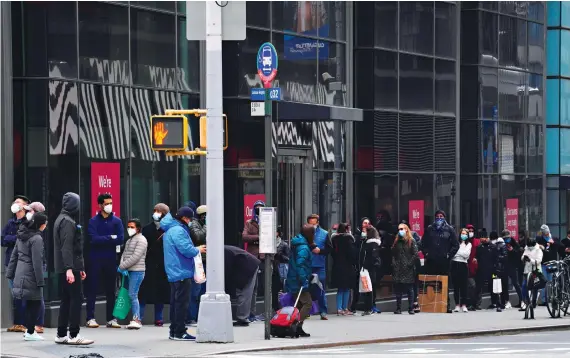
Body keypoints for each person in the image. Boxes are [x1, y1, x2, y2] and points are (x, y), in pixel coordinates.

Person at [53, 192, 93, 345]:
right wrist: (70, 268)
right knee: (76, 298)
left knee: (66, 299)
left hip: (67, 267)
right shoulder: (68, 222)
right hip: (69, 267)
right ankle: (73, 335)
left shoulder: (61, 219)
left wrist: (78, 267)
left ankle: (61, 334)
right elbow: (67, 247)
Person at [161, 207, 206, 341]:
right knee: (181, 304)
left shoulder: (170, 229)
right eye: (190, 219)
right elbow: (186, 250)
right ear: (185, 218)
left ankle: (174, 331)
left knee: (175, 303)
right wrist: (197, 249)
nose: (191, 221)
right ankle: (179, 332)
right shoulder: (178, 230)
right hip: (181, 271)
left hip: (174, 271)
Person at [6, 212, 48, 341]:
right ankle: (30, 332)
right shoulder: (37, 239)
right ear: (40, 224)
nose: (45, 225)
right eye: (45, 223)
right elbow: (37, 261)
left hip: (20, 272)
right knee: (35, 304)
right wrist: (40, 280)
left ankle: (29, 331)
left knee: (29, 303)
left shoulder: (21, 236)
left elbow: (14, 256)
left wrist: (10, 274)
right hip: (31, 275)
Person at [85, 193, 125, 328]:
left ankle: (111, 319)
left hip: (110, 259)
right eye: (107, 203)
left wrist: (106, 238)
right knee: (92, 288)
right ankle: (90, 317)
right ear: (100, 205)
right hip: (95, 258)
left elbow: (120, 238)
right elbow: (93, 239)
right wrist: (110, 238)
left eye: (110, 203)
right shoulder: (93, 221)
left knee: (111, 290)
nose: (109, 206)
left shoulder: (117, 221)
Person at [420, 210, 458, 313]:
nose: (439, 218)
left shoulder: (449, 229)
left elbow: (456, 245)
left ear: (444, 217)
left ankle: (446, 305)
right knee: (432, 283)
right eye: (437, 216)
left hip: (444, 261)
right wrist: (426, 253)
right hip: (431, 260)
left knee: (444, 283)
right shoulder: (430, 229)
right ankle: (431, 304)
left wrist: (449, 255)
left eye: (441, 216)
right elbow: (423, 243)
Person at [139, 203, 171, 326]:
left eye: (158, 211)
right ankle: (139, 317)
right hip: (148, 264)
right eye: (154, 210)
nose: (155, 213)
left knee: (161, 293)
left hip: (163, 265)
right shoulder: (146, 229)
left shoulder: (168, 229)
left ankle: (159, 318)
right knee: (143, 292)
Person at [3, 194, 30, 333]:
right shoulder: (10, 223)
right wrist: (16, 238)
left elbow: (26, 239)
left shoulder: (28, 222)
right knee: (14, 293)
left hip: (23, 262)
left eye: (18, 202)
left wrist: (13, 239)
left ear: (25, 206)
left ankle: (24, 323)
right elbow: (2, 239)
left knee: (22, 293)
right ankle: (17, 323)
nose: (15, 204)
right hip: (10, 262)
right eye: (14, 201)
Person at [118, 218, 148, 330]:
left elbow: (136, 257)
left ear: (138, 228)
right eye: (128, 226)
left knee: (132, 294)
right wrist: (122, 265)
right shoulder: (130, 240)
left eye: (132, 227)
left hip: (137, 271)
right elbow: (124, 254)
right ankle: (134, 319)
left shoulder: (141, 240)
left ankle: (136, 319)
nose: (129, 229)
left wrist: (122, 266)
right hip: (129, 271)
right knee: (130, 295)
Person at [22, 202, 47, 334]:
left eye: (30, 211)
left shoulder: (38, 229)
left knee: (38, 296)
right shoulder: (28, 226)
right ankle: (31, 325)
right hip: (28, 266)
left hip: (35, 266)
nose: (27, 213)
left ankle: (38, 323)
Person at [286, 224, 314, 338]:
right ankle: (295, 325)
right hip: (298, 280)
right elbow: (300, 264)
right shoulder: (303, 248)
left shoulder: (299, 244)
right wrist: (303, 279)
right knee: (307, 303)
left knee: (298, 305)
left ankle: (298, 327)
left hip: (293, 278)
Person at [224, 245, 261, 327]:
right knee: (249, 292)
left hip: (247, 266)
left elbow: (227, 270)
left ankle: (243, 319)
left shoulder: (223, 252)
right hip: (249, 264)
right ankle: (248, 315)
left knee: (245, 292)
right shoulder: (225, 249)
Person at [241, 200, 265, 322]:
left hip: (265, 256)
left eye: (261, 207)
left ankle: (265, 312)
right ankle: (251, 313)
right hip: (253, 256)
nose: (259, 210)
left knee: (266, 286)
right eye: (257, 208)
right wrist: (258, 238)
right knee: (252, 286)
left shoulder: (267, 221)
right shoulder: (250, 222)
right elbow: (244, 237)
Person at [307, 214, 330, 320]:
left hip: (319, 265)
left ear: (318, 223)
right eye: (310, 224)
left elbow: (330, 250)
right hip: (306, 264)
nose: (313, 226)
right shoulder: (304, 234)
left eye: (314, 223)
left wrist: (320, 251)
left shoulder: (325, 234)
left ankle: (323, 311)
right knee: (305, 289)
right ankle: (306, 311)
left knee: (321, 289)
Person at [392, 223, 419, 315]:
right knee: (398, 289)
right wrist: (394, 264)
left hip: (408, 268)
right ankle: (398, 308)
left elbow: (415, 254)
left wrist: (409, 264)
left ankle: (411, 308)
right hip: (398, 268)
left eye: (402, 229)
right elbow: (394, 253)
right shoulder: (397, 241)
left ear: (406, 229)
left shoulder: (411, 241)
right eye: (399, 229)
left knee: (409, 288)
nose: (400, 231)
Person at [188, 205, 207, 326]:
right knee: (196, 290)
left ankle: (201, 316)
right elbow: (198, 236)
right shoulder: (194, 224)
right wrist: (206, 225)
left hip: (207, 260)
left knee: (204, 291)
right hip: (198, 261)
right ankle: (191, 317)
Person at [331, 223, 356, 316]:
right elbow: (352, 253)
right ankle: (344, 308)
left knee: (340, 289)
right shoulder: (348, 239)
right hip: (347, 266)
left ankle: (339, 308)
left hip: (337, 265)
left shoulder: (334, 239)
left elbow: (333, 252)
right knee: (346, 288)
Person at [475, 231, 502, 312]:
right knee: (479, 286)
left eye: (484, 237)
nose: (482, 239)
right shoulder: (479, 247)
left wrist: (497, 269)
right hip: (482, 270)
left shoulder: (493, 247)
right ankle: (475, 304)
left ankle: (497, 304)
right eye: (481, 238)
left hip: (492, 271)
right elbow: (477, 257)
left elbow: (497, 258)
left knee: (494, 286)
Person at [350, 217, 372, 313]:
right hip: (358, 265)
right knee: (356, 287)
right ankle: (354, 306)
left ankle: (369, 307)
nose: (366, 225)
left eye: (368, 223)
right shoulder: (357, 235)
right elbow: (355, 248)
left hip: (367, 265)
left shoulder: (372, 235)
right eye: (364, 223)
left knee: (368, 287)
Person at [359, 227, 382, 316]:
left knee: (368, 288)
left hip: (369, 269)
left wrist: (365, 265)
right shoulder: (371, 244)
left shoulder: (371, 244)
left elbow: (371, 258)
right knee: (368, 288)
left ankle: (369, 307)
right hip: (369, 269)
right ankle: (369, 307)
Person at [450, 228, 471, 313]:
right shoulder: (455, 243)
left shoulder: (469, 244)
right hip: (455, 264)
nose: (464, 235)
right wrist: (460, 252)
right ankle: (457, 305)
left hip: (463, 265)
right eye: (462, 233)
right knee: (456, 287)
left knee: (464, 287)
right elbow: (453, 254)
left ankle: (464, 305)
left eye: (465, 234)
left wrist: (458, 252)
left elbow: (466, 255)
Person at [519, 237, 543, 311]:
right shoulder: (527, 248)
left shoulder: (538, 249)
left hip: (535, 270)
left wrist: (531, 260)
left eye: (530, 246)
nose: (529, 248)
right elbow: (523, 256)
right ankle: (525, 302)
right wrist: (524, 258)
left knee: (534, 287)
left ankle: (533, 302)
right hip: (527, 270)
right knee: (524, 286)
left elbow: (539, 260)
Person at [537, 224, 559, 305]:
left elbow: (560, 246)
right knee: (544, 281)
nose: (546, 234)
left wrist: (553, 243)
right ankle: (544, 299)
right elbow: (535, 246)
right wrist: (539, 246)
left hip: (552, 263)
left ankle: (552, 297)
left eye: (547, 233)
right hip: (543, 263)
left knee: (552, 281)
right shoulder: (539, 239)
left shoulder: (554, 238)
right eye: (544, 233)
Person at [502, 229, 522, 309]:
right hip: (504, 266)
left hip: (513, 266)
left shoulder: (514, 243)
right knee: (504, 284)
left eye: (508, 237)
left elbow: (518, 254)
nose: (507, 239)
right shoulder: (502, 244)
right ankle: (506, 301)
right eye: (505, 238)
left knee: (515, 283)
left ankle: (522, 300)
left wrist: (512, 251)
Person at [272, 226, 290, 312]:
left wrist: (279, 255)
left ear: (278, 233)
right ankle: (273, 308)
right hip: (270, 269)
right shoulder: (267, 244)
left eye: (275, 232)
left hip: (280, 269)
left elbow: (288, 258)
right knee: (272, 290)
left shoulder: (283, 244)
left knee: (280, 289)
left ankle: (280, 308)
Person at [466, 225, 482, 311]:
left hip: (477, 266)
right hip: (468, 267)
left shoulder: (477, 242)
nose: (471, 232)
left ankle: (478, 304)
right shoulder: (465, 242)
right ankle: (471, 303)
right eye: (469, 231)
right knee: (472, 286)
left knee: (478, 286)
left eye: (472, 231)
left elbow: (481, 253)